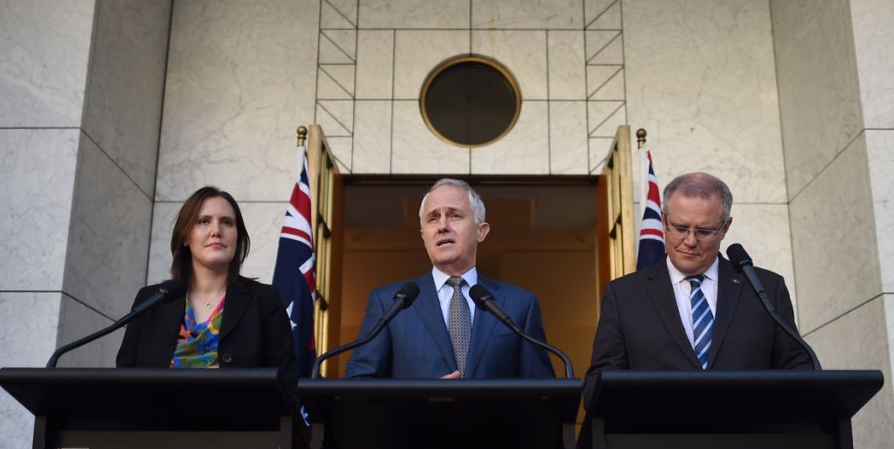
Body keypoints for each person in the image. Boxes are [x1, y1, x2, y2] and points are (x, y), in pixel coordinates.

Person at [584, 172, 814, 406]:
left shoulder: (766, 289)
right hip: (658, 438)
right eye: (680, 228)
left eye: (704, 231)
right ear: (663, 221)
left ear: (725, 227)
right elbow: (598, 386)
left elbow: (800, 371)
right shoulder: (625, 296)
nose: (690, 241)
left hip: (749, 436)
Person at [344, 178, 555, 379]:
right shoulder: (389, 303)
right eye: (433, 218)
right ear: (423, 236)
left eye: (454, 215)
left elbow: (541, 394)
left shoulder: (520, 305)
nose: (442, 226)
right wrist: (420, 400)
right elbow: (359, 384)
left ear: (481, 231)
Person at [117, 186, 297, 381]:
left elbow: (285, 384)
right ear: (185, 236)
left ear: (238, 237)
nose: (216, 231)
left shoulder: (265, 300)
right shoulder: (152, 300)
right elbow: (125, 381)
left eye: (227, 222)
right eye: (204, 221)